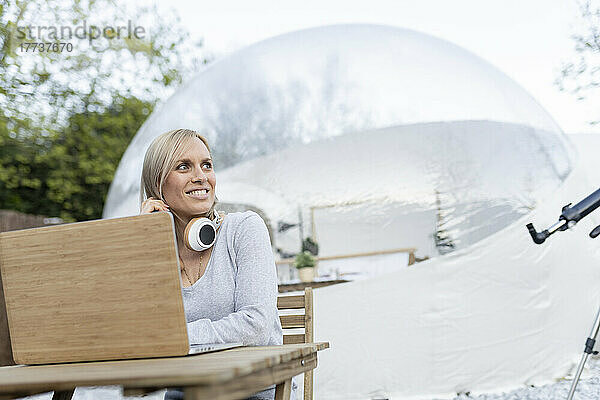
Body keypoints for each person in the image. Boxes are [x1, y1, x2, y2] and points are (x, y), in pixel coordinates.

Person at [139, 129, 283, 400]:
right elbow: (135, 332)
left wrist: (174, 338)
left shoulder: (244, 228)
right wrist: (143, 241)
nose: (201, 177)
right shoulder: (155, 252)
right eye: (183, 166)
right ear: (157, 185)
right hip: (184, 394)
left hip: (253, 393)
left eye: (207, 165)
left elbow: (256, 325)